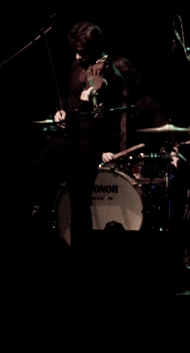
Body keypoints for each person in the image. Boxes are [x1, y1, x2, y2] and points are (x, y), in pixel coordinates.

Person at [22, 21, 126, 255]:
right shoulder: (74, 66)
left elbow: (104, 84)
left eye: (83, 52)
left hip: (87, 146)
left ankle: (81, 266)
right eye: (76, 51)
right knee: (27, 187)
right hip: (63, 141)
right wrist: (60, 111)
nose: (78, 56)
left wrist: (94, 90)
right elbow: (67, 98)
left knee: (79, 205)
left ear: (97, 47)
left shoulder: (110, 72)